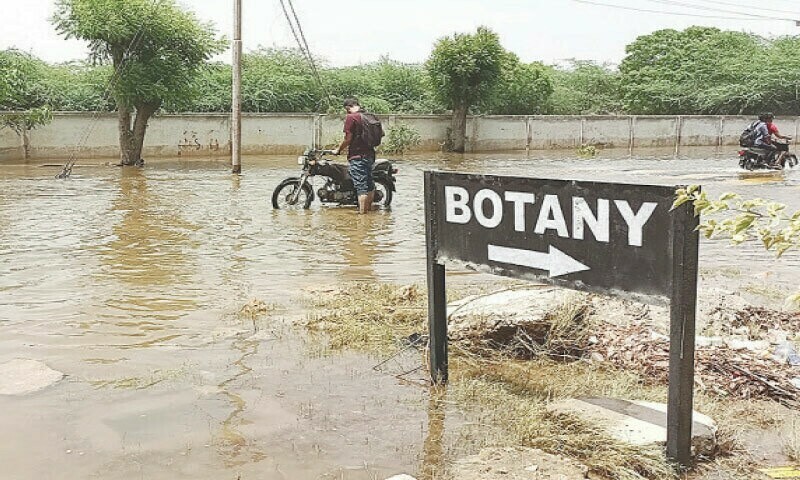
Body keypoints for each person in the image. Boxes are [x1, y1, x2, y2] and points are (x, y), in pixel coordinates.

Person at [332, 98, 375, 214]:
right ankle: (369, 212)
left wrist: (338, 150)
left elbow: (348, 139)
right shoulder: (368, 116)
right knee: (369, 185)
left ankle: (363, 217)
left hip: (357, 157)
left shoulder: (351, 118)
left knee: (361, 189)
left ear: (347, 107)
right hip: (370, 155)